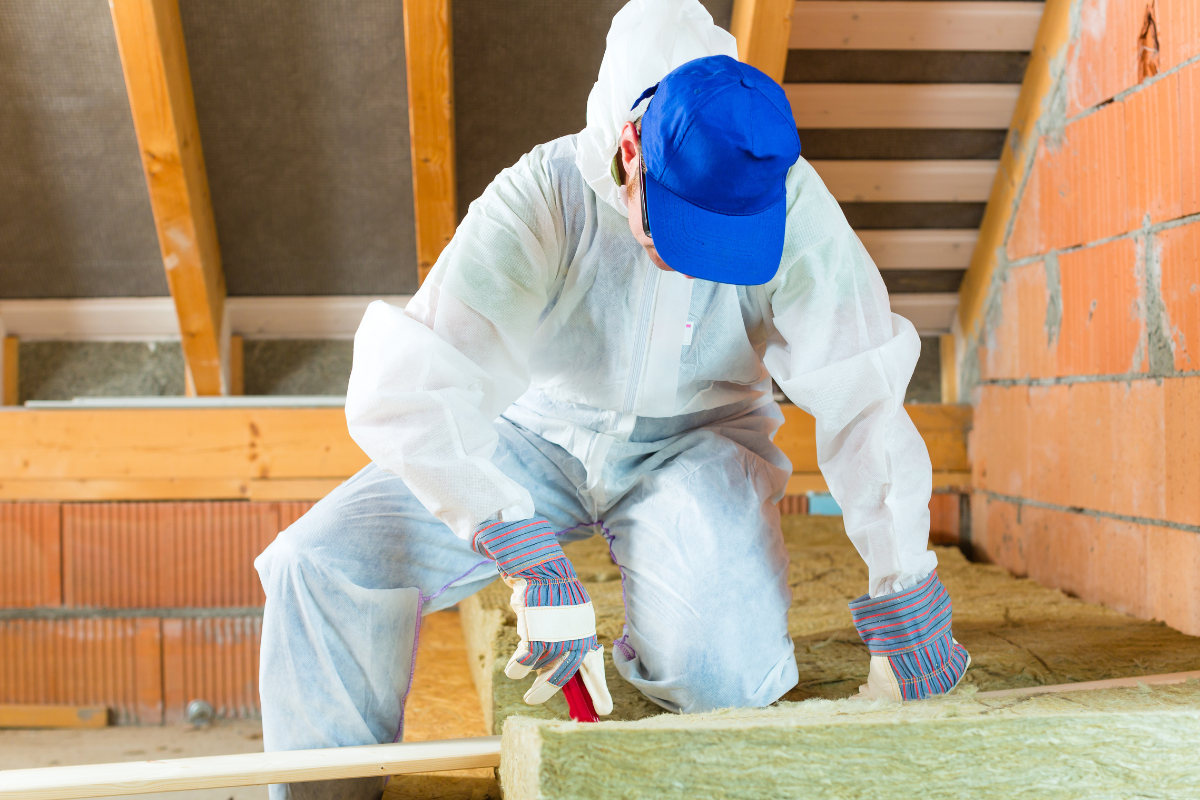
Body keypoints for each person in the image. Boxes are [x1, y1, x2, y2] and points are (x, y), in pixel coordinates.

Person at [254, 1, 969, 797]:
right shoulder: (543, 195)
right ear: (630, 151)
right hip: (533, 434)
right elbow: (413, 380)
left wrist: (904, 581)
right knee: (316, 563)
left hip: (698, 441)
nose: (691, 267)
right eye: (678, 234)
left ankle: (659, 628)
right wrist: (505, 529)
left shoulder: (790, 199)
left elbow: (860, 390)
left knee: (724, 678)